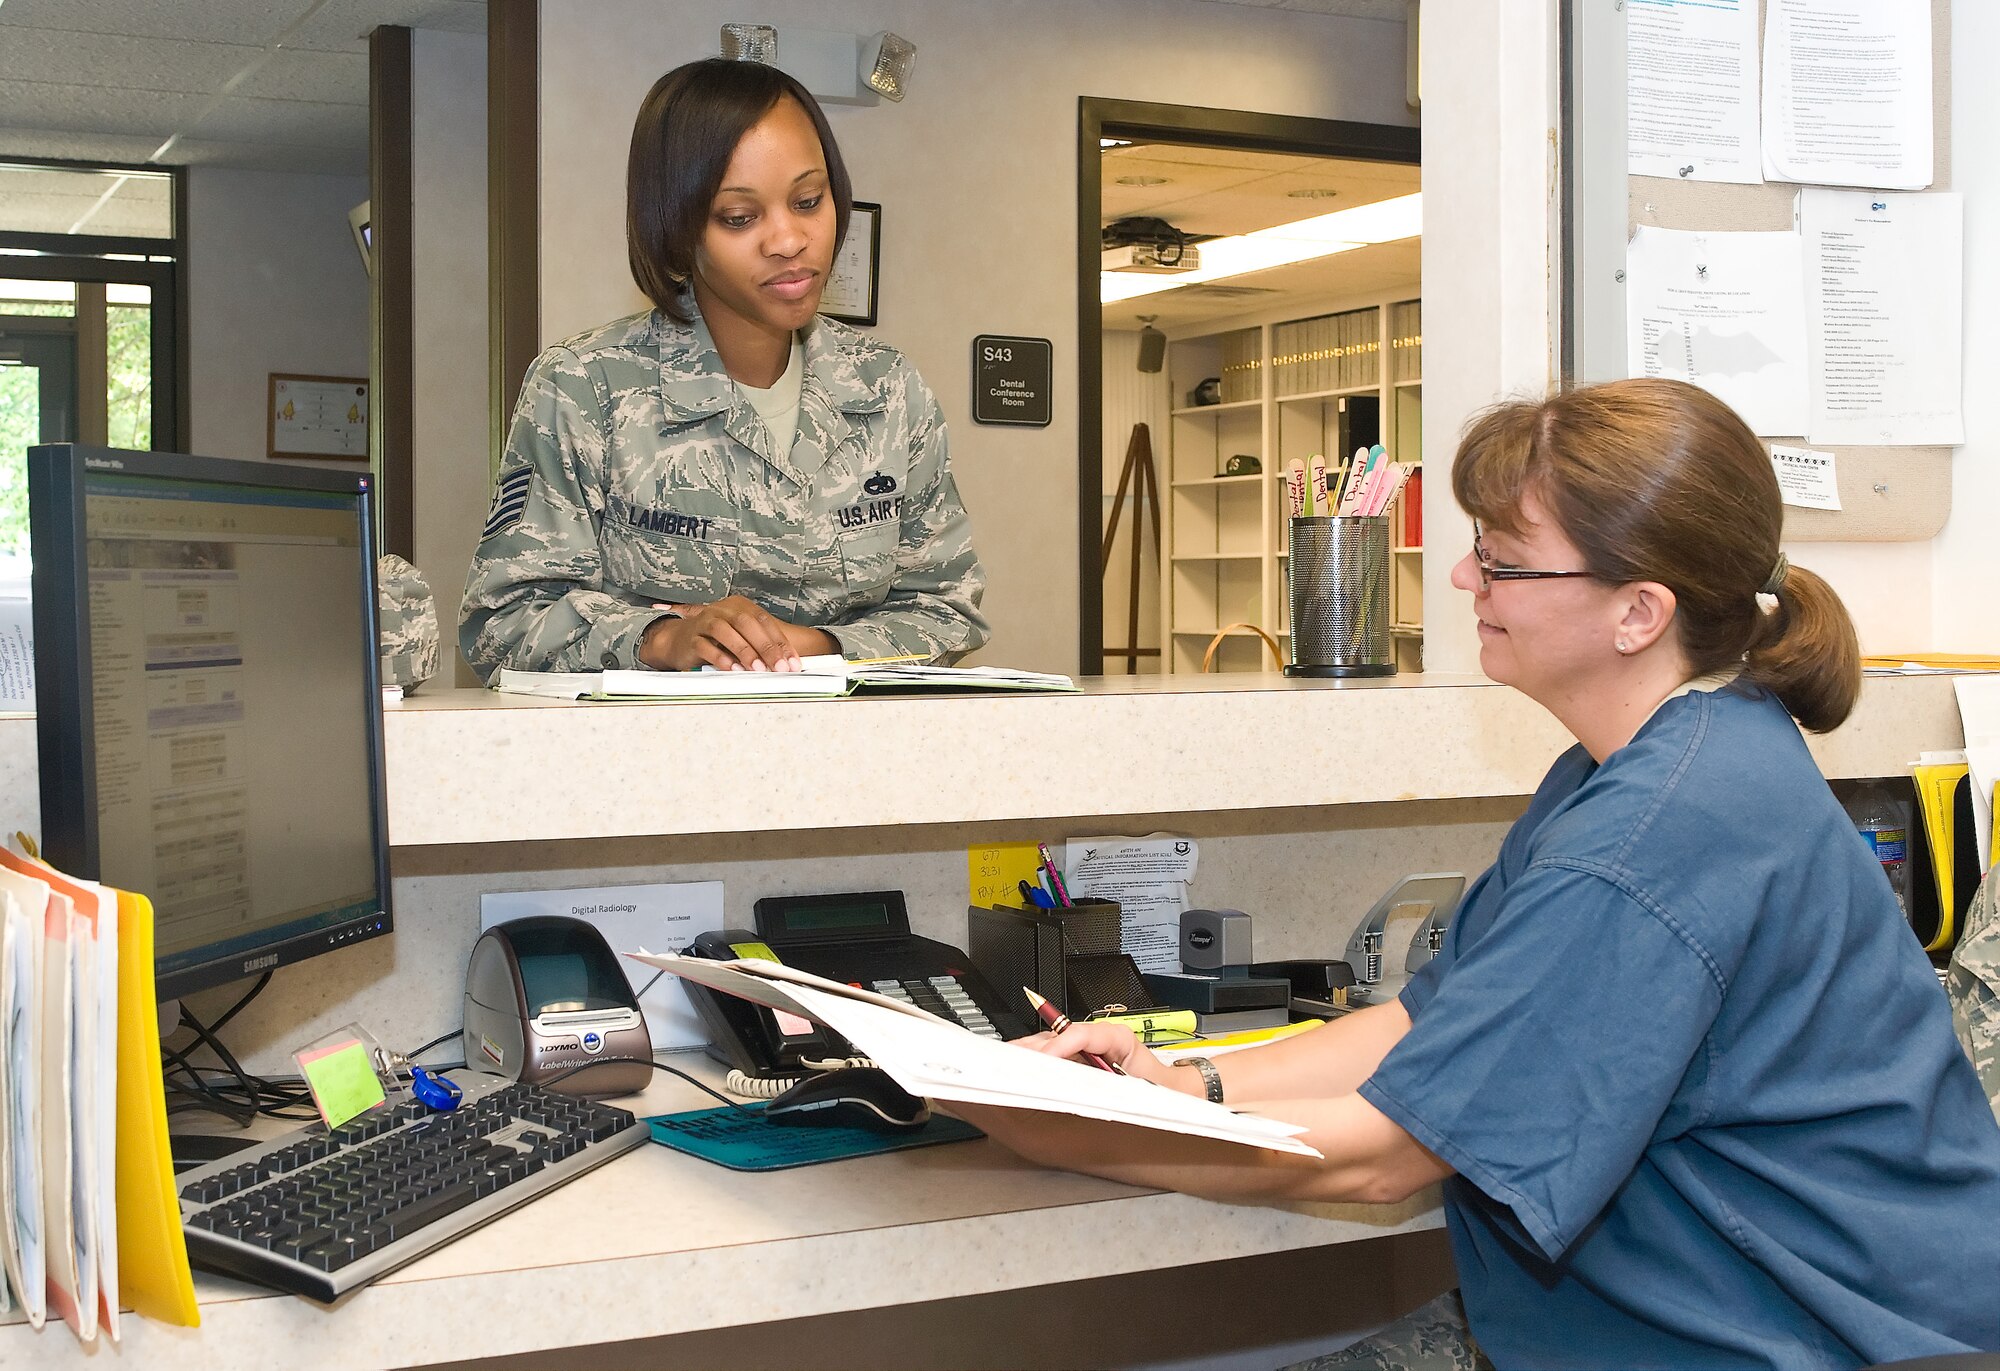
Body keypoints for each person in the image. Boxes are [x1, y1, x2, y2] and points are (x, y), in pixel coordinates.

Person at [958, 378, 2000, 1369]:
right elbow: (1423, 1023)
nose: (1464, 581)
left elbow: (1381, 1158)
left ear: (1637, 612)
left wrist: (1063, 1131)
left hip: (1801, 1336)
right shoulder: (1649, 762)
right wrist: (1178, 1085)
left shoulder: (1653, 838)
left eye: (1502, 563)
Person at [460, 58, 988, 681]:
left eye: (808, 201)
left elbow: (947, 608)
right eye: (739, 218)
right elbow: (505, 620)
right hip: (655, 766)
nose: (788, 239)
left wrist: (807, 644)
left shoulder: (887, 391)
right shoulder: (585, 388)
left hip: (850, 760)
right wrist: (662, 639)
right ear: (678, 230)